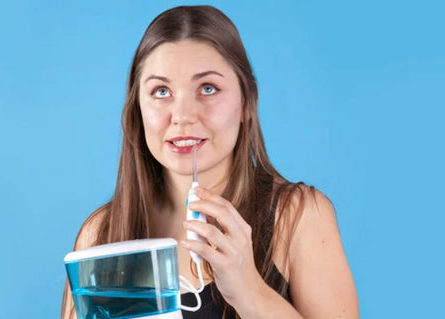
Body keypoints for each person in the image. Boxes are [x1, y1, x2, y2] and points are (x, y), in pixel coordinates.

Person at [61, 5, 359, 319]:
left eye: (208, 88)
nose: (183, 116)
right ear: (138, 109)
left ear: (246, 103)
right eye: (161, 91)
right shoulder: (101, 235)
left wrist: (249, 292)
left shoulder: (298, 216)